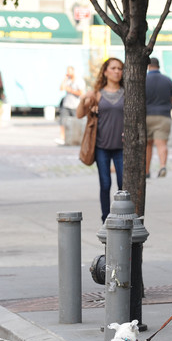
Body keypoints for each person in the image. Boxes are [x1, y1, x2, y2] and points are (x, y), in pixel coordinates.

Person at [76, 58, 124, 223]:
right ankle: (105, 219)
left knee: (122, 184)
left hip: (121, 146)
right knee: (105, 184)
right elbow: (80, 114)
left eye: (120, 68)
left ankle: (121, 215)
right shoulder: (97, 94)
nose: (117, 71)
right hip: (101, 145)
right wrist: (84, 99)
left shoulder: (127, 93)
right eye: (113, 68)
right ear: (105, 72)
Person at [145, 57, 172, 178]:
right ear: (159, 66)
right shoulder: (167, 80)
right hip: (163, 116)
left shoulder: (144, 79)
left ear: (148, 66)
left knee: (147, 144)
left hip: (146, 115)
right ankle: (162, 166)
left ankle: (146, 171)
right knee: (161, 144)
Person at [57, 66, 86, 145]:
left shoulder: (79, 81)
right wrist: (64, 79)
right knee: (63, 121)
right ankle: (62, 138)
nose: (68, 73)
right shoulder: (67, 80)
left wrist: (71, 90)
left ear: (73, 71)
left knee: (77, 122)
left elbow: (81, 93)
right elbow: (61, 88)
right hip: (66, 104)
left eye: (70, 71)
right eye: (67, 71)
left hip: (75, 105)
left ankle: (78, 138)